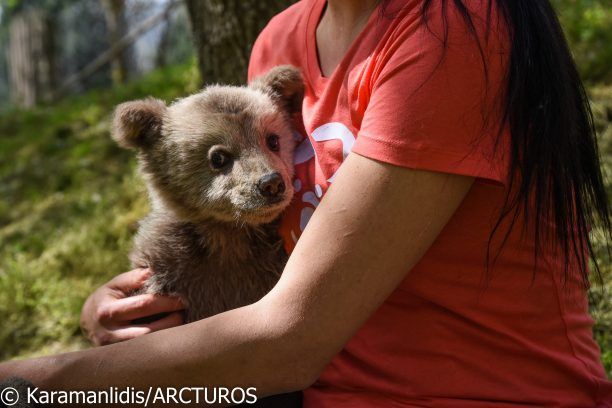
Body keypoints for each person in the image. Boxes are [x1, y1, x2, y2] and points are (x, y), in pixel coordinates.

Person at [1, 0, 611, 406]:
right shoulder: (282, 39)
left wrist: (33, 385)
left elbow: (288, 339)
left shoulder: (450, 28)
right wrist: (113, 312)